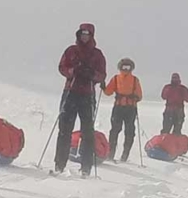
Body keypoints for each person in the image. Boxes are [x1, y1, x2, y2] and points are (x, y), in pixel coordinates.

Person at [54, 23, 108, 175]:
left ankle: (86, 167)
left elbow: (102, 74)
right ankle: (59, 164)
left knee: (88, 131)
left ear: (91, 35)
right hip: (70, 92)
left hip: (87, 94)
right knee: (64, 129)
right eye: (82, 33)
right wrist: (73, 71)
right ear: (78, 34)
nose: (84, 36)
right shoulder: (71, 51)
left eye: (87, 34)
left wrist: (92, 74)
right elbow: (61, 67)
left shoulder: (97, 54)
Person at [102, 58, 143, 161]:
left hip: (130, 108)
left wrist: (135, 98)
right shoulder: (115, 78)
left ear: (131, 68)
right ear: (120, 67)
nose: (125, 69)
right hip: (119, 107)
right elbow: (108, 92)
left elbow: (139, 95)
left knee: (129, 131)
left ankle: (125, 155)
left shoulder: (135, 80)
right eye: (124, 67)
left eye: (128, 67)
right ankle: (110, 154)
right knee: (115, 130)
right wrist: (104, 88)